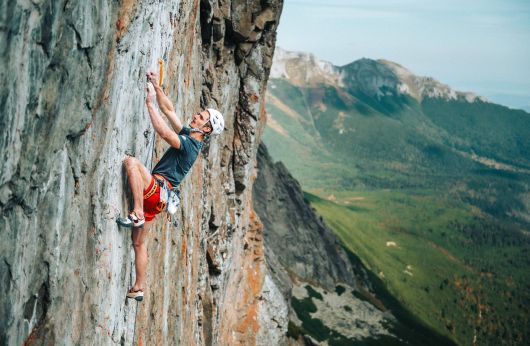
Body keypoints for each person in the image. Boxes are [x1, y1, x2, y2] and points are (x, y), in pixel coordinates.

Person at [117, 71, 224, 301]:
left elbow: (164, 131)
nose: (196, 116)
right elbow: (169, 110)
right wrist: (156, 86)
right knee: (138, 243)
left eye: (201, 117)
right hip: (160, 200)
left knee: (132, 163)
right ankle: (138, 287)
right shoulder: (190, 136)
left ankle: (136, 212)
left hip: (156, 190)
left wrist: (148, 104)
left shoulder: (189, 146)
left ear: (206, 129)